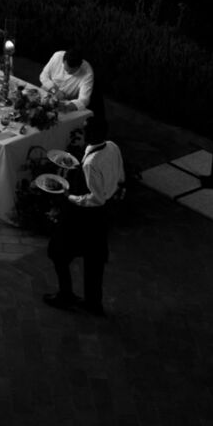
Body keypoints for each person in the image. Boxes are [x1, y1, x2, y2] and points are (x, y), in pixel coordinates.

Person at [45, 114, 123, 315]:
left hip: (85, 216)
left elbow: (95, 198)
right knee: (94, 259)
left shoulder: (91, 163)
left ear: (96, 133)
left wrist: (69, 197)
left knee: (58, 252)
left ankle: (66, 294)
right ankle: (93, 303)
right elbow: (119, 175)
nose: (83, 132)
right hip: (103, 215)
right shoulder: (112, 146)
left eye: (87, 130)